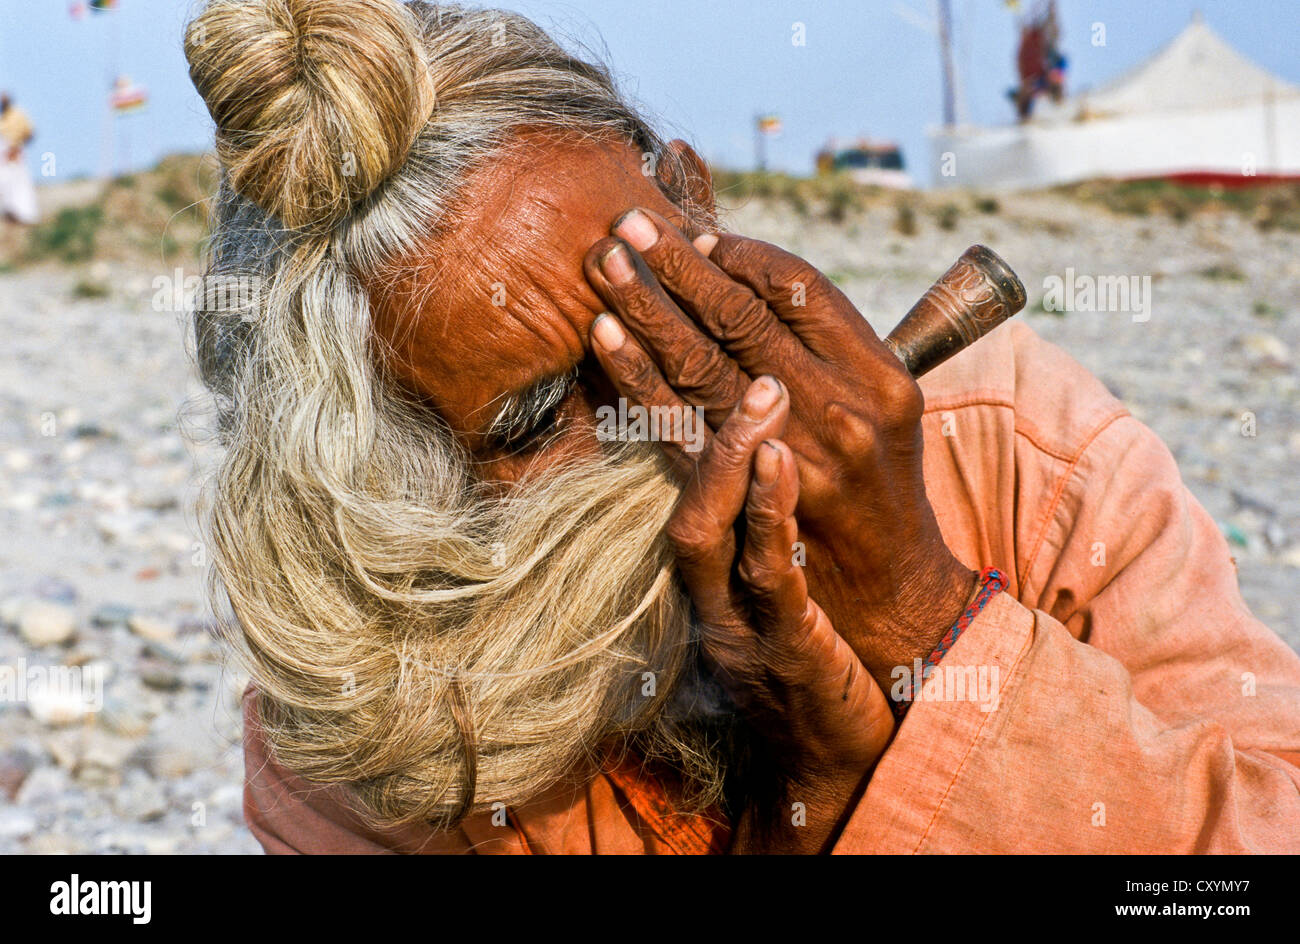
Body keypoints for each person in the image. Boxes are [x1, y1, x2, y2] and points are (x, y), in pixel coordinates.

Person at [184, 0, 1300, 854]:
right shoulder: (372, 725)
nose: (654, 406)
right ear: (398, 485)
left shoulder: (1021, 454)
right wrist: (821, 799)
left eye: (655, 311)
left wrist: (921, 617)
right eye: (533, 420)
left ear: (695, 205)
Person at [0, 92, 38, 224]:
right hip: (5, 154)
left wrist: (17, 148)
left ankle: (25, 214)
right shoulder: (2, 118)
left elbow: (30, 133)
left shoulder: (18, 115)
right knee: (5, 182)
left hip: (15, 152)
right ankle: (10, 212)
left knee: (19, 182)